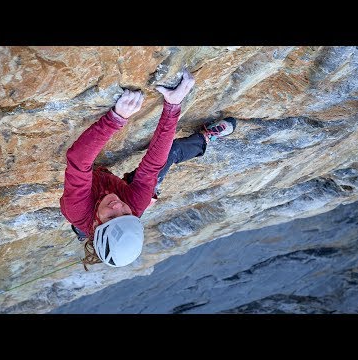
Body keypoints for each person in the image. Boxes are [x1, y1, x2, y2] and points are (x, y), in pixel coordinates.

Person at [60, 69, 236, 270]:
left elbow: (78, 161)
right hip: (122, 193)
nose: (118, 206)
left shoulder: (78, 210)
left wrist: (116, 118)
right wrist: (172, 105)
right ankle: (205, 138)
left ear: (95, 225)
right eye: (125, 214)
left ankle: (82, 230)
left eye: (110, 217)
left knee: (78, 218)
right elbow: (153, 163)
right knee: (171, 153)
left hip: (86, 207)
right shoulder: (135, 205)